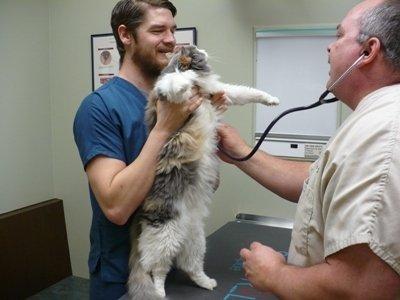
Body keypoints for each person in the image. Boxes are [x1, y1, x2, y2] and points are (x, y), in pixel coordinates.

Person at [217, 0, 400, 298]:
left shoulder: (384, 133)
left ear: (368, 51)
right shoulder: (376, 118)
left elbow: (362, 287)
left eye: (339, 36)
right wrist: (240, 152)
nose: (330, 47)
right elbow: (318, 183)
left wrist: (275, 274)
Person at [73, 1, 208, 298]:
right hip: (121, 277)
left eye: (172, 29)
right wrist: (163, 129)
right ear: (126, 36)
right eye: (158, 30)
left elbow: (200, 185)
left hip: (170, 262)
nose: (171, 39)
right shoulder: (99, 109)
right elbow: (116, 207)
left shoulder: (175, 100)